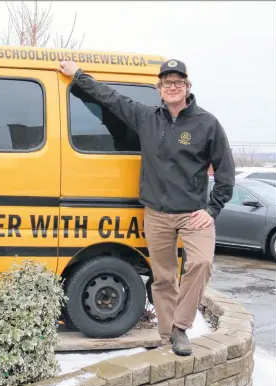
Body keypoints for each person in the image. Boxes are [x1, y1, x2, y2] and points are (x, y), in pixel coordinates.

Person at [57, 59, 235, 356]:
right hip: (156, 214)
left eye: (178, 82)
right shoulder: (146, 117)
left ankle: (180, 326)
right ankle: (169, 338)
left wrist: (212, 209)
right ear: (159, 89)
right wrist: (77, 75)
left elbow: (226, 172)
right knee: (164, 278)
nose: (173, 87)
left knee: (201, 263)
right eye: (167, 83)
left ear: (188, 87)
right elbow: (110, 98)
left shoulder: (207, 123)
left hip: (193, 214)